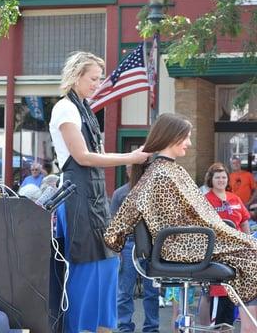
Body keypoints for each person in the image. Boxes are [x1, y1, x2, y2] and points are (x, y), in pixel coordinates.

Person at [104, 113, 257, 332]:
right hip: (180, 248)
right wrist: (113, 242)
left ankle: (250, 327)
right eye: (186, 137)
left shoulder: (170, 170)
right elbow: (123, 218)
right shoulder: (158, 174)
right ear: (172, 137)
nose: (190, 143)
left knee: (251, 254)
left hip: (193, 242)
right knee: (252, 253)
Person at [49, 51, 150, 333]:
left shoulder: (85, 110)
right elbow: (82, 157)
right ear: (76, 75)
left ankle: (104, 327)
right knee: (85, 267)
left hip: (93, 197)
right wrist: (131, 158)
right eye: (93, 78)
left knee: (106, 266)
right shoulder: (64, 109)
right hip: (76, 198)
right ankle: (79, 328)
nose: (97, 83)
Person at [199, 162, 251, 329]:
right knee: (216, 292)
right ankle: (217, 327)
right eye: (217, 177)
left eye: (223, 177)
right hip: (216, 253)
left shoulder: (234, 198)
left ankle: (226, 327)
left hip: (235, 253)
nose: (221, 180)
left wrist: (248, 242)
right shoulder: (205, 200)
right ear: (211, 179)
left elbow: (244, 222)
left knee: (232, 291)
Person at [110, 165, 159, 333]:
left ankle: (152, 328)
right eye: (131, 168)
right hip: (128, 244)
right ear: (127, 171)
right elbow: (114, 224)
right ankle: (124, 328)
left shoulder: (154, 192)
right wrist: (117, 250)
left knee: (152, 291)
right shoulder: (120, 193)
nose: (135, 171)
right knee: (124, 291)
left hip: (151, 245)